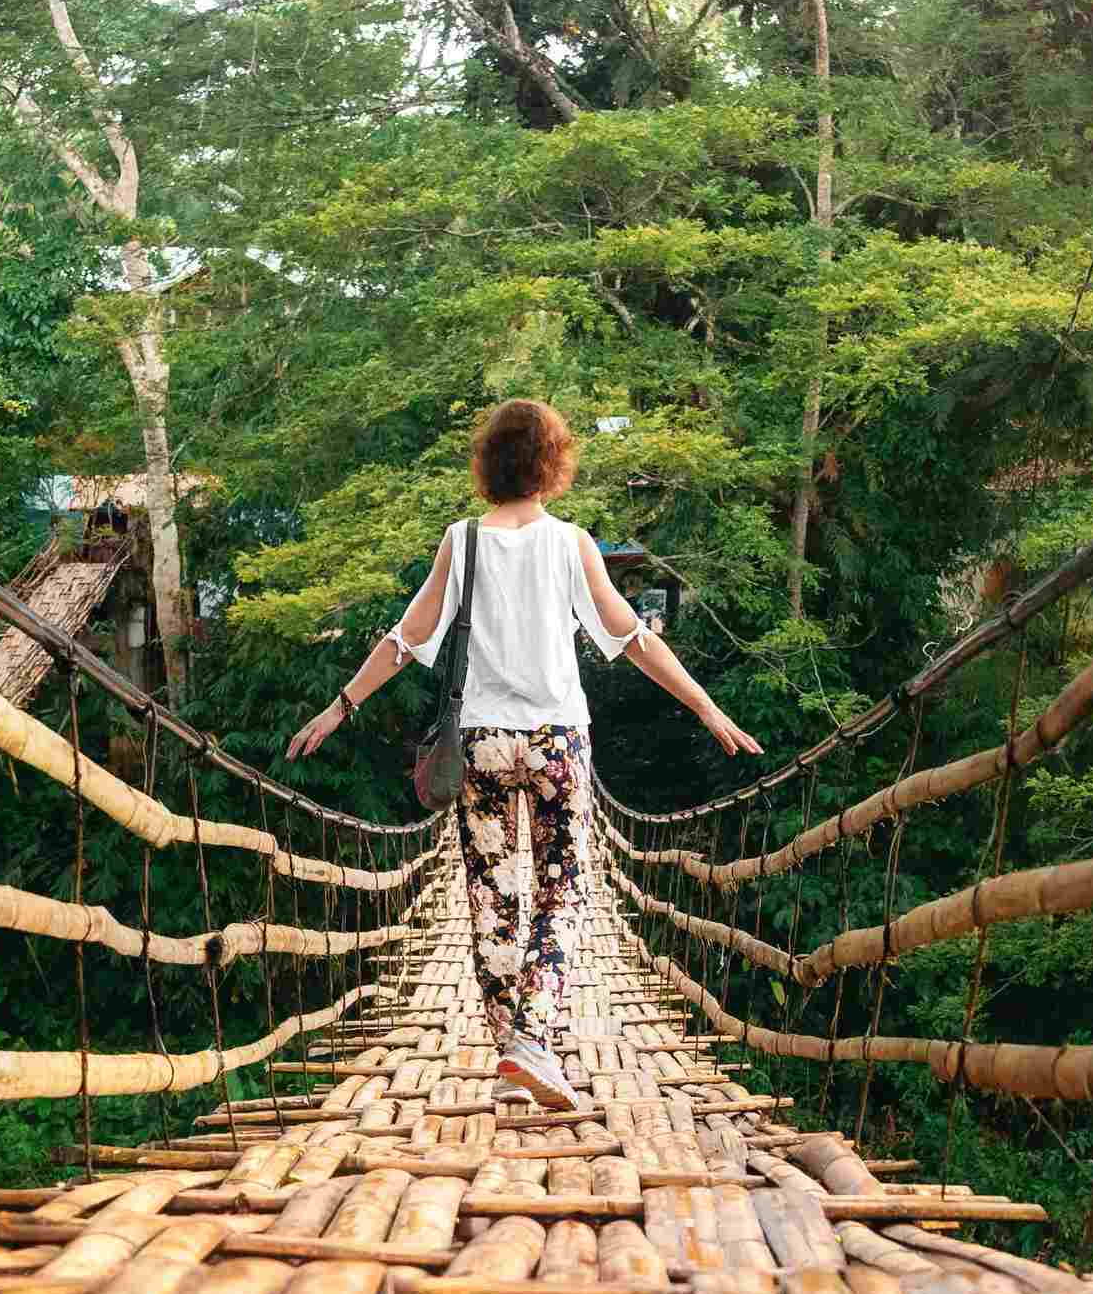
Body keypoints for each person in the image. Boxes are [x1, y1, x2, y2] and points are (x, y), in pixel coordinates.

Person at [285, 399, 760, 1108]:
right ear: (554, 463)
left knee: (491, 897)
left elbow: (404, 641)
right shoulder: (571, 544)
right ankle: (535, 1041)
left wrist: (340, 705)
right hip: (556, 740)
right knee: (564, 889)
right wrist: (707, 706)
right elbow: (634, 639)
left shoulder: (462, 540)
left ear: (489, 463)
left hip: (479, 741)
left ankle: (517, 1047)